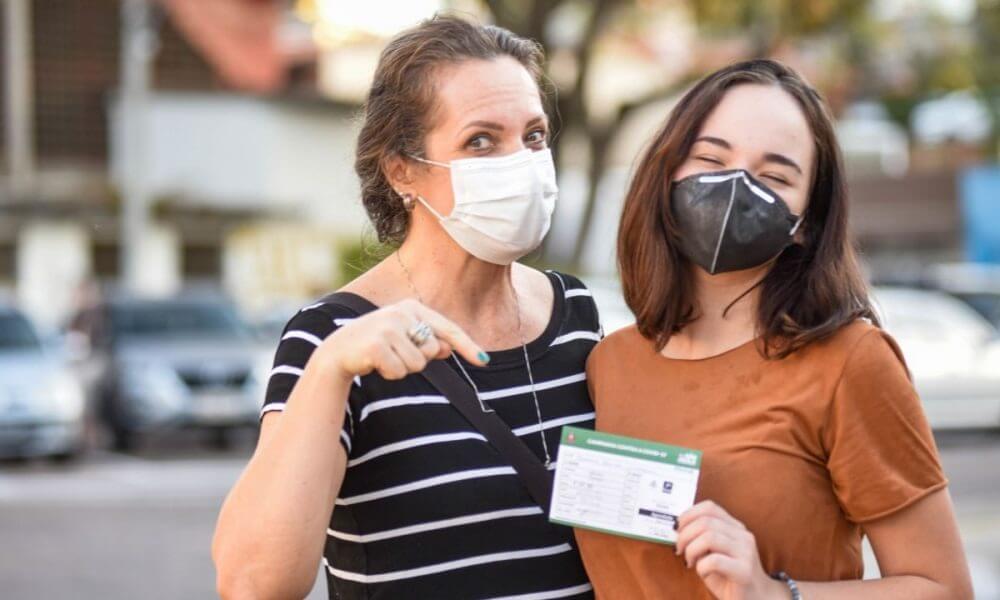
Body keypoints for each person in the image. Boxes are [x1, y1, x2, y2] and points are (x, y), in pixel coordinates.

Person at [212, 15, 600, 600]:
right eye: (481, 140)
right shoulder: (333, 338)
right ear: (402, 170)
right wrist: (330, 370)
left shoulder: (576, 315)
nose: (521, 162)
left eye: (534, 135)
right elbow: (254, 583)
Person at [577, 59, 973, 599]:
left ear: (806, 222)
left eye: (775, 176)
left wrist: (771, 592)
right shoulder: (610, 363)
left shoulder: (849, 361)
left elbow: (944, 588)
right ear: (666, 174)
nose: (736, 185)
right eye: (712, 158)